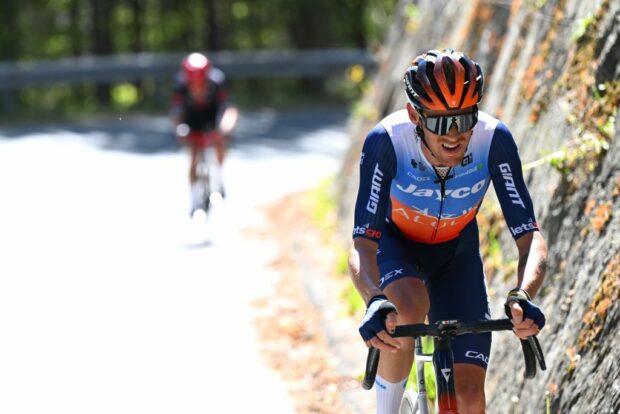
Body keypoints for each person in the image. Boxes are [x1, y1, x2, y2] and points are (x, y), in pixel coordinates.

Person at [348, 49, 548, 414]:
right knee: (407, 308)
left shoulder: (493, 140)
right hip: (396, 247)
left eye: (464, 118)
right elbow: (362, 245)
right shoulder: (387, 142)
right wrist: (374, 298)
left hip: (457, 256)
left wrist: (523, 293)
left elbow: (529, 235)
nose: (454, 135)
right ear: (414, 116)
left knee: (468, 398)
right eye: (440, 123)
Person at [171, 52, 239, 214]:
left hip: (213, 116)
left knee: (220, 143)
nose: (197, 88)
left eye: (200, 84)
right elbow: (177, 113)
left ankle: (219, 176)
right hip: (191, 118)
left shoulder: (217, 82)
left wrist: (225, 128)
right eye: (193, 84)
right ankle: (195, 201)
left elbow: (229, 109)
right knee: (193, 155)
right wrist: (180, 129)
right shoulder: (180, 85)